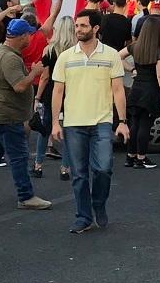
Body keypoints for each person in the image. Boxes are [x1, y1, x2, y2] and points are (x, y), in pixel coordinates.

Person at [51, 12, 128, 235]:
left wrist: (122, 121)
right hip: (74, 123)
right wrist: (56, 122)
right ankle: (83, 217)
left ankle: (98, 204)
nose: (78, 29)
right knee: (79, 174)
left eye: (83, 25)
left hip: (102, 122)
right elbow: (58, 91)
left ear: (95, 28)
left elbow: (118, 90)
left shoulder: (111, 55)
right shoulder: (66, 57)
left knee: (103, 169)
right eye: (77, 25)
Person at [0, 19, 50, 212]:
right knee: (19, 157)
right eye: (29, 35)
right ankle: (26, 196)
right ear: (22, 36)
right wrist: (35, 72)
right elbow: (20, 86)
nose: (31, 38)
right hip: (8, 115)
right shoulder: (10, 58)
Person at [125, 14, 160, 169]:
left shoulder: (135, 46)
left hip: (136, 88)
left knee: (134, 123)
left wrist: (131, 68)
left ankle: (130, 156)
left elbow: (118, 56)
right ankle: (141, 158)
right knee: (145, 124)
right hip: (151, 90)